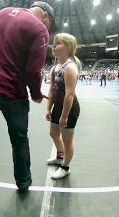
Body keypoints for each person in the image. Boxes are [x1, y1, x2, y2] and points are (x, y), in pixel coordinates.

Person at [0, 1, 57, 202]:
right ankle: (23, 182)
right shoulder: (39, 28)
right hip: (11, 90)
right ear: (45, 16)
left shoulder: (0, 13)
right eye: (49, 24)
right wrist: (36, 94)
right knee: (19, 138)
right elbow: (33, 69)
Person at [45, 33, 81, 179]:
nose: (54, 46)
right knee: (53, 133)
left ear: (68, 47)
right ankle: (60, 156)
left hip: (69, 108)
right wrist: (48, 108)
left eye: (58, 43)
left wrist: (64, 116)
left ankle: (65, 167)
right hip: (58, 106)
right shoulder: (55, 68)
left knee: (67, 140)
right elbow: (52, 90)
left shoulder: (70, 67)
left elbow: (70, 94)